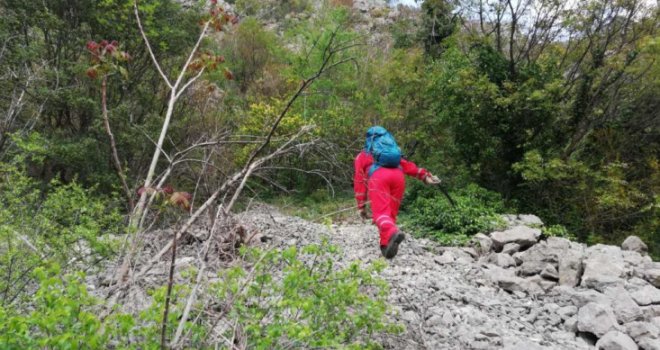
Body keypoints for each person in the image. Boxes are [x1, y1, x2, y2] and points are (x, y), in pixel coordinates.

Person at [354, 126, 441, 259]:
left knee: (381, 214)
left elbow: (360, 182)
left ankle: (392, 231)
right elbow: (407, 165)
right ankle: (386, 246)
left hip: (379, 178)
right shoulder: (392, 154)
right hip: (398, 177)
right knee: (390, 215)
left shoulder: (363, 156)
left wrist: (361, 206)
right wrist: (424, 175)